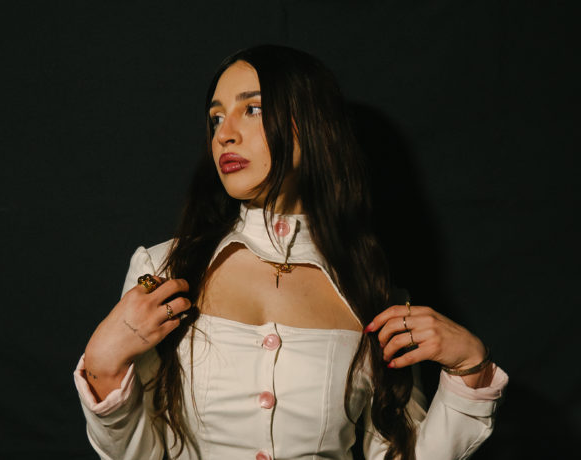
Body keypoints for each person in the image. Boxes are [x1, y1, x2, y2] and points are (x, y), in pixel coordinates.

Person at [74, 45, 508, 460]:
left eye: (253, 109)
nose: (224, 134)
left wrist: (471, 369)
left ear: (313, 123)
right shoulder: (163, 270)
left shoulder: (373, 292)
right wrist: (102, 367)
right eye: (216, 117)